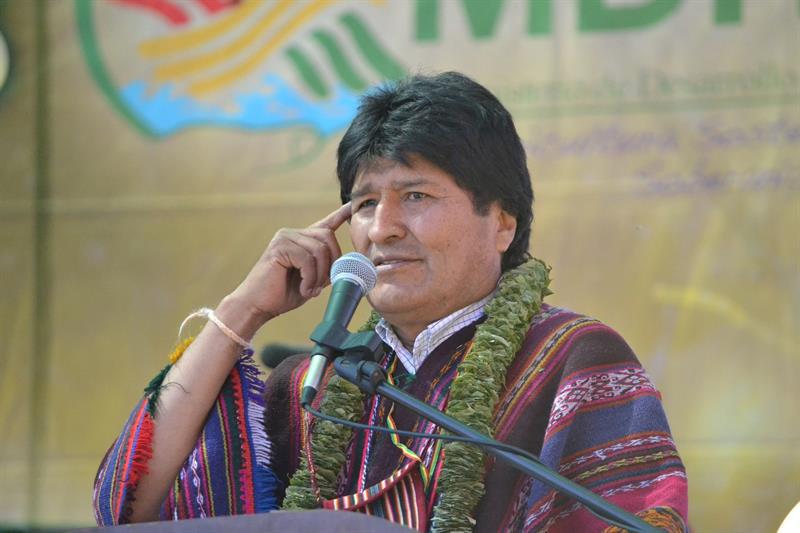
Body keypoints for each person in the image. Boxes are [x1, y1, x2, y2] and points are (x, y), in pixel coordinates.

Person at [93, 72, 688, 532]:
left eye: (416, 195)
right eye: (365, 203)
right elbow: (128, 503)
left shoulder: (572, 359)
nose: (382, 229)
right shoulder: (313, 386)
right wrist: (244, 309)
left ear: (502, 223)